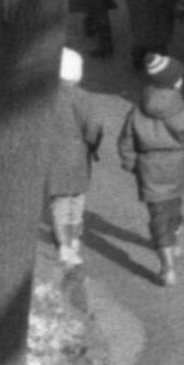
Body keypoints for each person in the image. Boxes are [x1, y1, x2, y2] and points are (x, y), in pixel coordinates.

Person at [117, 51, 184, 285]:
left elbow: (126, 141)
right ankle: (174, 237)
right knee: (173, 206)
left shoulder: (137, 110)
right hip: (177, 167)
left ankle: (167, 266)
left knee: (157, 215)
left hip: (149, 169)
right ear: (174, 83)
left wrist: (131, 164)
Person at [46, 48, 117, 269]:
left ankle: (63, 242)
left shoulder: (45, 96)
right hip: (77, 156)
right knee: (76, 199)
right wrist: (93, 143)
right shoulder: (81, 97)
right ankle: (72, 238)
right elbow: (92, 127)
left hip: (51, 156)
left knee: (59, 202)